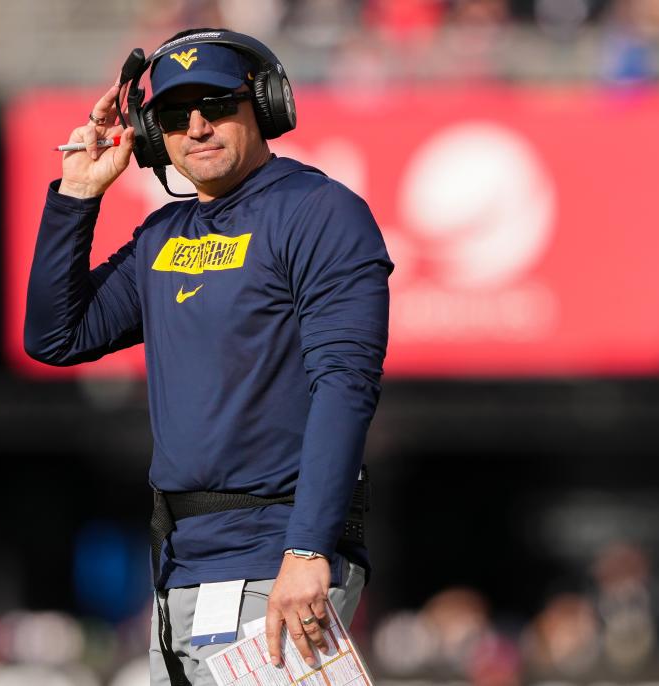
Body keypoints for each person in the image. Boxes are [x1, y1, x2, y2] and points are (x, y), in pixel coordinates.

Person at [24, 27, 393, 685]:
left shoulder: (320, 212)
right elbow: (55, 337)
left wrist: (308, 549)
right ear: (150, 130)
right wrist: (78, 195)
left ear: (265, 106)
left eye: (217, 104)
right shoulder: (163, 232)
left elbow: (346, 384)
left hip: (277, 562)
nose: (197, 126)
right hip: (178, 575)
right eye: (173, 114)